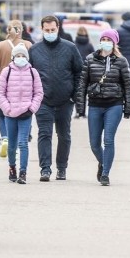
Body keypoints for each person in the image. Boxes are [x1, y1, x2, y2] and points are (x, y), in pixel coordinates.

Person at [75, 29, 130, 186]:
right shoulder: (90, 60)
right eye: (104, 39)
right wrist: (80, 108)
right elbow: (82, 84)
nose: (106, 42)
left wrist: (129, 108)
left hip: (114, 104)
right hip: (95, 105)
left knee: (108, 139)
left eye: (109, 39)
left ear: (114, 42)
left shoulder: (121, 61)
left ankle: (106, 173)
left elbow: (128, 85)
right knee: (94, 143)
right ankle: (103, 163)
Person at [28, 15, 83, 181]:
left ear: (57, 28)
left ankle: (62, 168)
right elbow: (29, 75)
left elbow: (79, 72)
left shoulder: (70, 48)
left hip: (65, 100)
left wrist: (75, 95)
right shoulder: (35, 50)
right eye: (47, 30)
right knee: (44, 134)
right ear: (42, 30)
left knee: (64, 135)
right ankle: (45, 169)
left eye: (52, 30)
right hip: (43, 100)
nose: (50, 32)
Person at [0, 43, 43, 184]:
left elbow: (39, 92)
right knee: (11, 145)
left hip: (26, 114)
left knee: (23, 143)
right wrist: (7, 108)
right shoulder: (7, 71)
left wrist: (31, 108)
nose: (21, 58)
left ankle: (23, 173)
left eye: (23, 55)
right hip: (10, 114)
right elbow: (0, 92)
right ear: (13, 57)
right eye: (18, 55)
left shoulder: (32, 72)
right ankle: (12, 168)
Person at [0, 20, 33, 154]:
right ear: (21, 30)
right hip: (24, 86)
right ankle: (20, 139)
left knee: (3, 114)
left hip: (3, 84)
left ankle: (5, 138)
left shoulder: (0, 46)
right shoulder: (28, 45)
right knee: (24, 113)